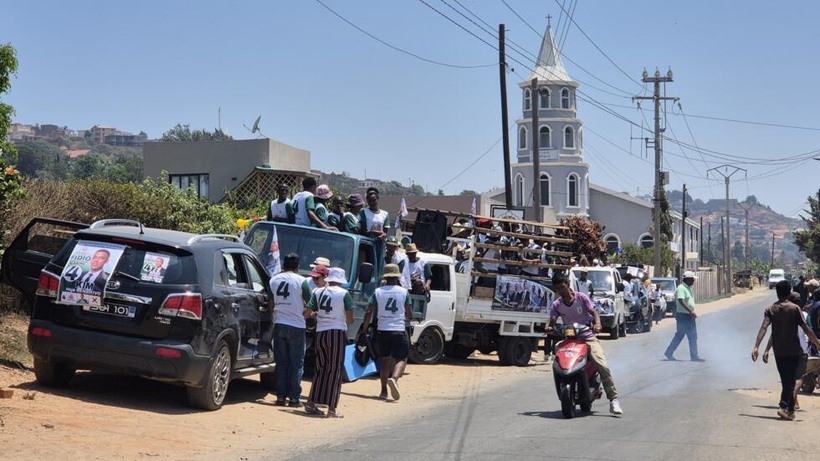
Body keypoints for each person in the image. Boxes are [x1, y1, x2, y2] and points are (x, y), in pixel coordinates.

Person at [547, 272, 623, 415]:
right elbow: (552, 320)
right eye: (557, 288)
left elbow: (594, 312)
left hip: (587, 337)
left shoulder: (581, 298)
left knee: (602, 365)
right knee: (556, 362)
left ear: (568, 285)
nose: (561, 291)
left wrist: (598, 324)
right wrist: (549, 327)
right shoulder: (557, 304)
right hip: (569, 339)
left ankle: (613, 400)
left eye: (562, 287)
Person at [752, 280, 820, 420]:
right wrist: (817, 343)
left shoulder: (770, 309)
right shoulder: (794, 309)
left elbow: (764, 328)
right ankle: (783, 406)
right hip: (794, 351)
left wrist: (756, 347)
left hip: (779, 351)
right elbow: (806, 329)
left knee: (786, 380)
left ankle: (789, 411)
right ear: (789, 293)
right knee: (789, 381)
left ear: (777, 292)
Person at [304, 267, 354, 418]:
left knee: (320, 368)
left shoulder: (317, 292)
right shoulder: (344, 294)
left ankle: (311, 402)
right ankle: (332, 408)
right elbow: (350, 319)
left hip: (320, 333)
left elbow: (307, 312)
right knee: (334, 370)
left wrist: (316, 315)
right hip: (336, 333)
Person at [361, 264, 412, 401]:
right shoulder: (404, 292)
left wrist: (364, 328)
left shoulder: (378, 292)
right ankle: (394, 379)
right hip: (398, 329)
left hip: (382, 330)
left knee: (384, 360)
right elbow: (409, 313)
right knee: (402, 358)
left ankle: (383, 391)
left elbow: (368, 311)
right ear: (397, 277)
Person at [270, 253, 313, 407]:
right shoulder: (302, 281)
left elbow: (270, 303)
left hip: (279, 323)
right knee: (296, 364)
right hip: (297, 325)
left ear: (283, 264)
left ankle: (280, 397)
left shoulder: (274, 279)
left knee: (281, 363)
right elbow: (310, 302)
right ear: (297, 266)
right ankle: (294, 398)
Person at [762, 292, 811, 412]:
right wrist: (817, 343)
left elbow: (774, 334)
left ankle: (791, 404)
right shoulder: (803, 314)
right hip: (800, 350)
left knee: (787, 378)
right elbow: (809, 330)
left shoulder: (781, 313)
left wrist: (767, 349)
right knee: (800, 377)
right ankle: (787, 403)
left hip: (782, 350)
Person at [664, 271, 704, 362]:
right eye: (692, 279)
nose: (693, 281)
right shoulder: (681, 288)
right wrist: (690, 311)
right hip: (684, 316)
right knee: (684, 335)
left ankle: (692, 356)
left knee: (690, 335)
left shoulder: (687, 288)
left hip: (687, 315)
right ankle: (671, 352)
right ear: (687, 279)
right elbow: (680, 300)